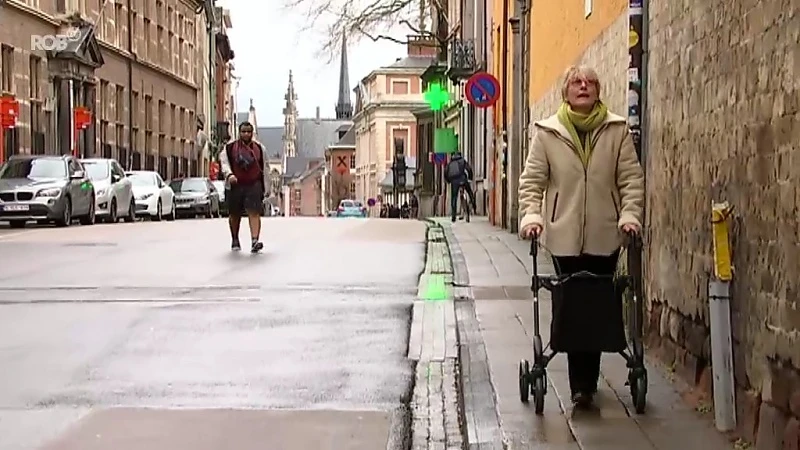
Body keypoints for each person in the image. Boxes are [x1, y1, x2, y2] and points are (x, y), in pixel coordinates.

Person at [517, 65, 644, 408]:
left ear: (598, 90)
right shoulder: (548, 133)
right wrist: (531, 216)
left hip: (606, 232)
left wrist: (630, 215)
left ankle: (587, 381)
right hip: (563, 234)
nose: (583, 86)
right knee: (573, 306)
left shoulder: (616, 130)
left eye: (590, 82)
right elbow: (532, 182)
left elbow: (631, 180)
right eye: (576, 81)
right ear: (566, 92)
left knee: (599, 304)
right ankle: (582, 387)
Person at [219, 121, 270, 253]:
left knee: (254, 212)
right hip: (235, 185)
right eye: (243, 131)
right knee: (234, 214)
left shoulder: (260, 149)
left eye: (248, 131)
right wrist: (229, 175)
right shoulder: (229, 148)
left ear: (252, 133)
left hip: (254, 184)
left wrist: (267, 188)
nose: (246, 134)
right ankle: (235, 238)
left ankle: (254, 241)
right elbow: (224, 162)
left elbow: (265, 168)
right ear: (239, 133)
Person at [444, 152, 476, 222]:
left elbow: (446, 172)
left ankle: (453, 216)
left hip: (454, 182)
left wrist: (448, 181)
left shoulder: (450, 163)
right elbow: (469, 169)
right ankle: (474, 204)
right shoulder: (462, 161)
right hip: (463, 179)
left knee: (454, 198)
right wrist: (470, 178)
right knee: (469, 191)